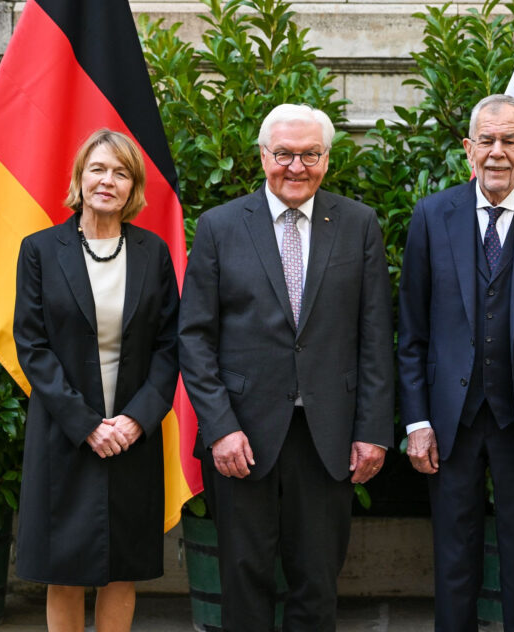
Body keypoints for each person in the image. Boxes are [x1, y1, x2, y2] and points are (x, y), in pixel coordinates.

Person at [178, 103, 394, 631]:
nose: (296, 167)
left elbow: (374, 337)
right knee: (243, 576)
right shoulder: (220, 226)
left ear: (326, 159)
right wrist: (220, 428)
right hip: (241, 437)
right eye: (284, 154)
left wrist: (373, 432)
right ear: (262, 156)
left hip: (329, 436)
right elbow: (195, 337)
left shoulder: (358, 224)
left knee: (317, 580)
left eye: (310, 155)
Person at [397, 94, 514, 632]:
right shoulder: (433, 216)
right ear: (468, 149)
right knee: (453, 562)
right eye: (487, 140)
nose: (497, 152)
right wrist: (417, 422)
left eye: (510, 141)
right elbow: (411, 332)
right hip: (449, 422)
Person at [13, 129, 180, 632]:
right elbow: (32, 346)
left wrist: (137, 420)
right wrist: (87, 424)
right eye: (98, 170)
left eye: (121, 173)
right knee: (63, 571)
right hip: (64, 434)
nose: (108, 181)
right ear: (79, 178)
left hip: (131, 437)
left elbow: (170, 347)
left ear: (134, 187)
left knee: (121, 569)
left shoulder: (153, 253)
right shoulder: (40, 250)